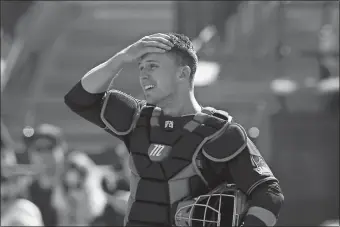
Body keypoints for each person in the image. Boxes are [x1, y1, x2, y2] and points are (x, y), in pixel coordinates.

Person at [64, 33, 284, 226]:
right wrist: (123, 57)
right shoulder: (137, 118)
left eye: (153, 66)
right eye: (140, 67)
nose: (143, 75)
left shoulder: (220, 132)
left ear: (182, 73)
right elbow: (78, 99)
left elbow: (270, 195)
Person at [24, 123, 67, 226]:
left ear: (62, 150)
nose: (44, 154)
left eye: (49, 147)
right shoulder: (24, 191)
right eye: (38, 149)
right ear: (31, 154)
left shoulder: (77, 184)